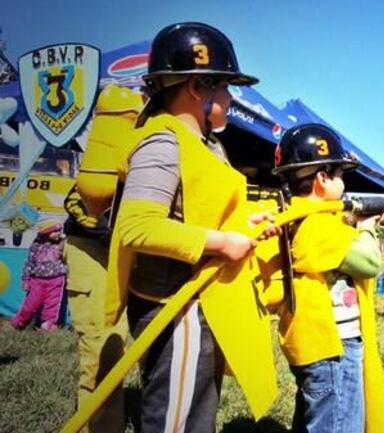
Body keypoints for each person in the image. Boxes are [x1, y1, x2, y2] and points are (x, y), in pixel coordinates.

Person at [103, 22, 279, 432]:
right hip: (176, 306)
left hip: (199, 301)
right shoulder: (163, 142)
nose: (231, 98)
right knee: (177, 421)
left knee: (196, 413)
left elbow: (194, 212)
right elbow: (137, 226)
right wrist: (223, 242)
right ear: (198, 87)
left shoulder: (202, 144)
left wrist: (243, 224)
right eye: (226, 87)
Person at [272, 123, 384, 433]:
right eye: (341, 174)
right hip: (334, 349)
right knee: (339, 423)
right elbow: (369, 262)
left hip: (316, 346)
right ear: (322, 178)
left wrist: (357, 219)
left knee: (317, 420)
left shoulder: (303, 216)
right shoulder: (318, 225)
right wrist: (367, 226)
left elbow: (337, 234)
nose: (344, 182)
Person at [63, 83, 142, 433]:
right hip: (94, 247)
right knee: (102, 351)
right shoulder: (121, 136)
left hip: (130, 246)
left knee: (128, 349)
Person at [11, 221, 66, 331]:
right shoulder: (36, 245)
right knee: (30, 305)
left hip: (56, 279)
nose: (58, 233)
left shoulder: (62, 244)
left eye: (60, 231)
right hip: (37, 280)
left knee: (52, 305)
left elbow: (68, 258)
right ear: (46, 233)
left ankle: (48, 326)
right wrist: (26, 279)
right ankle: (19, 323)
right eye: (55, 231)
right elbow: (29, 263)